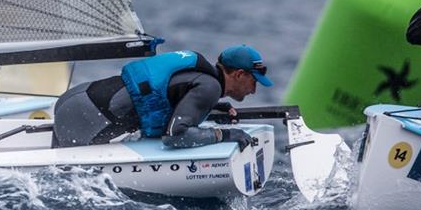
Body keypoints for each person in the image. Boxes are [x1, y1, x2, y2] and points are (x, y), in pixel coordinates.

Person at [51, 45, 273, 149]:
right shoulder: (209, 88)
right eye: (254, 81)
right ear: (239, 74)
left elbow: (173, 104)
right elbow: (175, 136)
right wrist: (225, 135)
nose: (254, 89)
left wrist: (212, 110)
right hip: (85, 115)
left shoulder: (204, 82)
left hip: (77, 101)